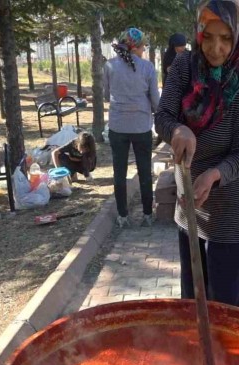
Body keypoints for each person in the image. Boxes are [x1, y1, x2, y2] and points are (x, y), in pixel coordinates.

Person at [155, 0, 239, 309]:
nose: (216, 48)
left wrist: (215, 174)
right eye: (209, 36)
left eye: (226, 38)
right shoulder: (183, 67)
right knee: (193, 304)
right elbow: (162, 116)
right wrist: (177, 129)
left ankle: (224, 357)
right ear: (198, 33)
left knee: (225, 310)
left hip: (229, 211)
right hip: (189, 204)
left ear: (238, 36)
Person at [104, 27, 159, 228]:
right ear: (136, 47)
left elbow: (105, 94)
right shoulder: (147, 68)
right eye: (143, 45)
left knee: (119, 172)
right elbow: (155, 100)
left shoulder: (109, 66)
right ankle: (147, 214)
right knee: (145, 170)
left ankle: (122, 216)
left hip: (117, 127)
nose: (144, 49)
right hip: (141, 127)